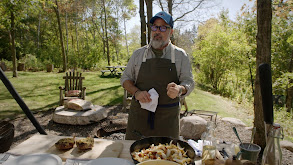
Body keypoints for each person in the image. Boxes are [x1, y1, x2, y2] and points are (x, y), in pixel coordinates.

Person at [120, 11, 195, 140]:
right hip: (139, 118)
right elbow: (125, 79)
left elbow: (188, 82)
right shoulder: (138, 54)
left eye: (163, 27)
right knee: (132, 156)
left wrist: (179, 89)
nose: (157, 31)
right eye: (154, 26)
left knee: (167, 157)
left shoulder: (180, 55)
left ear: (171, 32)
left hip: (167, 120)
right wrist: (136, 92)